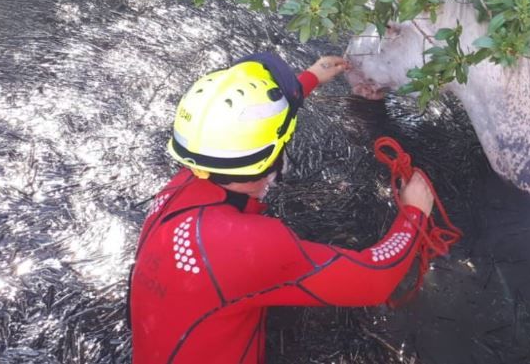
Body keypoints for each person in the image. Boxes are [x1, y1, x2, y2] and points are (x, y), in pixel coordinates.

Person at [128, 52, 435, 364]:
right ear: (272, 157)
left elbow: (250, 133)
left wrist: (312, 76)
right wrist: (414, 215)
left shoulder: (180, 186)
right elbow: (375, 280)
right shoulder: (248, 246)